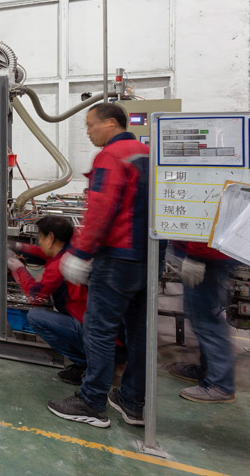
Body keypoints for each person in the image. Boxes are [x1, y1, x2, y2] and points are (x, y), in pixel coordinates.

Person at [48, 102, 150, 429]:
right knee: (139, 333)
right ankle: (133, 402)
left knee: (99, 331)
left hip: (116, 257)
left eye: (91, 125)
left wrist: (80, 252)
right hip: (147, 258)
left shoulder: (110, 156)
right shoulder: (146, 153)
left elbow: (100, 210)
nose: (88, 132)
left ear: (110, 124)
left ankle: (91, 402)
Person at [7, 215, 89, 385]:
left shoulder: (58, 266)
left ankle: (83, 363)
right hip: (96, 324)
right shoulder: (69, 250)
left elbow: (35, 297)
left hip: (88, 329)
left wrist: (19, 269)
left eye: (40, 237)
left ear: (50, 238)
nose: (39, 241)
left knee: (36, 317)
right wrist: (18, 246)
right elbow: (44, 254)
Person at [167, 240, 237, 403]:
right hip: (207, 254)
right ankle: (208, 371)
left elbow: (204, 227)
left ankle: (220, 384)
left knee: (205, 320)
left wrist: (195, 257)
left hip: (206, 255)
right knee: (201, 315)